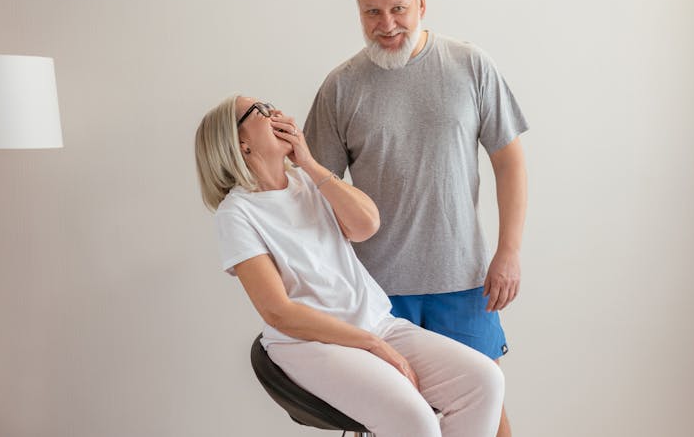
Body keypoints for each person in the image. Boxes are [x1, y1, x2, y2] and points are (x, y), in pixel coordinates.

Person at [303, 0, 529, 437]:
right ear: (359, 13)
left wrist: (508, 252)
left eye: (398, 8)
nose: (386, 24)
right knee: (395, 421)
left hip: (463, 280)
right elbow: (314, 193)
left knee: (487, 407)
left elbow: (509, 162)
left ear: (422, 3)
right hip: (376, 292)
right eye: (372, 12)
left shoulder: (470, 66)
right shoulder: (341, 88)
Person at [195, 94, 505, 437]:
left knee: (484, 381)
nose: (277, 112)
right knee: (414, 420)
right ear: (241, 144)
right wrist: (370, 344)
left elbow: (367, 224)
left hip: (375, 322)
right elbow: (278, 312)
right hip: (308, 343)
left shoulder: (307, 182)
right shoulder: (236, 214)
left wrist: (310, 165)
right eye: (261, 111)